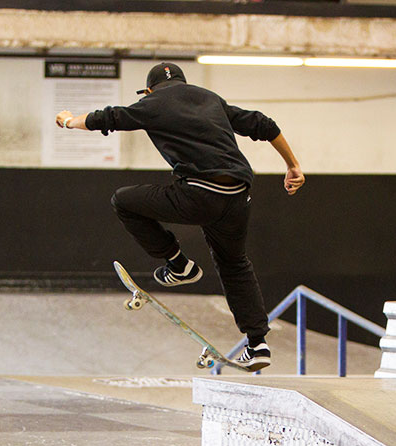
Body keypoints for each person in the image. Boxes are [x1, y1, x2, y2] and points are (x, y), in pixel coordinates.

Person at [55, 62, 305, 371]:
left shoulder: (152, 103)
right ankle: (258, 344)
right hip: (239, 195)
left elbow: (108, 118)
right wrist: (292, 165)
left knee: (123, 200)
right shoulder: (209, 98)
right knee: (234, 264)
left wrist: (68, 122)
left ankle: (179, 265)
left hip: (199, 194)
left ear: (149, 90)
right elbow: (263, 124)